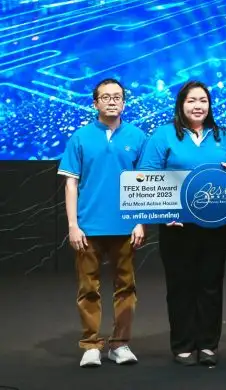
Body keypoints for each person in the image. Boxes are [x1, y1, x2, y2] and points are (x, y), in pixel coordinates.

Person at [137, 80, 226, 366]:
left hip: (216, 225)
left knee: (211, 284)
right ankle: (183, 345)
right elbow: (146, 176)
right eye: (191, 100)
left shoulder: (221, 135)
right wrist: (164, 213)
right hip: (177, 226)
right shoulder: (163, 135)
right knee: (181, 285)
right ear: (181, 104)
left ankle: (208, 344)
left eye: (203, 101)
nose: (198, 106)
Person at [57, 78, 147, 368]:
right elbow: (71, 184)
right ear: (95, 103)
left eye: (117, 97)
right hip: (88, 227)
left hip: (125, 227)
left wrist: (140, 221)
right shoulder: (80, 138)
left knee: (126, 288)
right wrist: (73, 225)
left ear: (124, 102)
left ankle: (120, 344)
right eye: (105, 97)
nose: (112, 101)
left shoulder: (138, 137)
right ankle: (91, 345)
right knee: (88, 289)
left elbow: (145, 183)